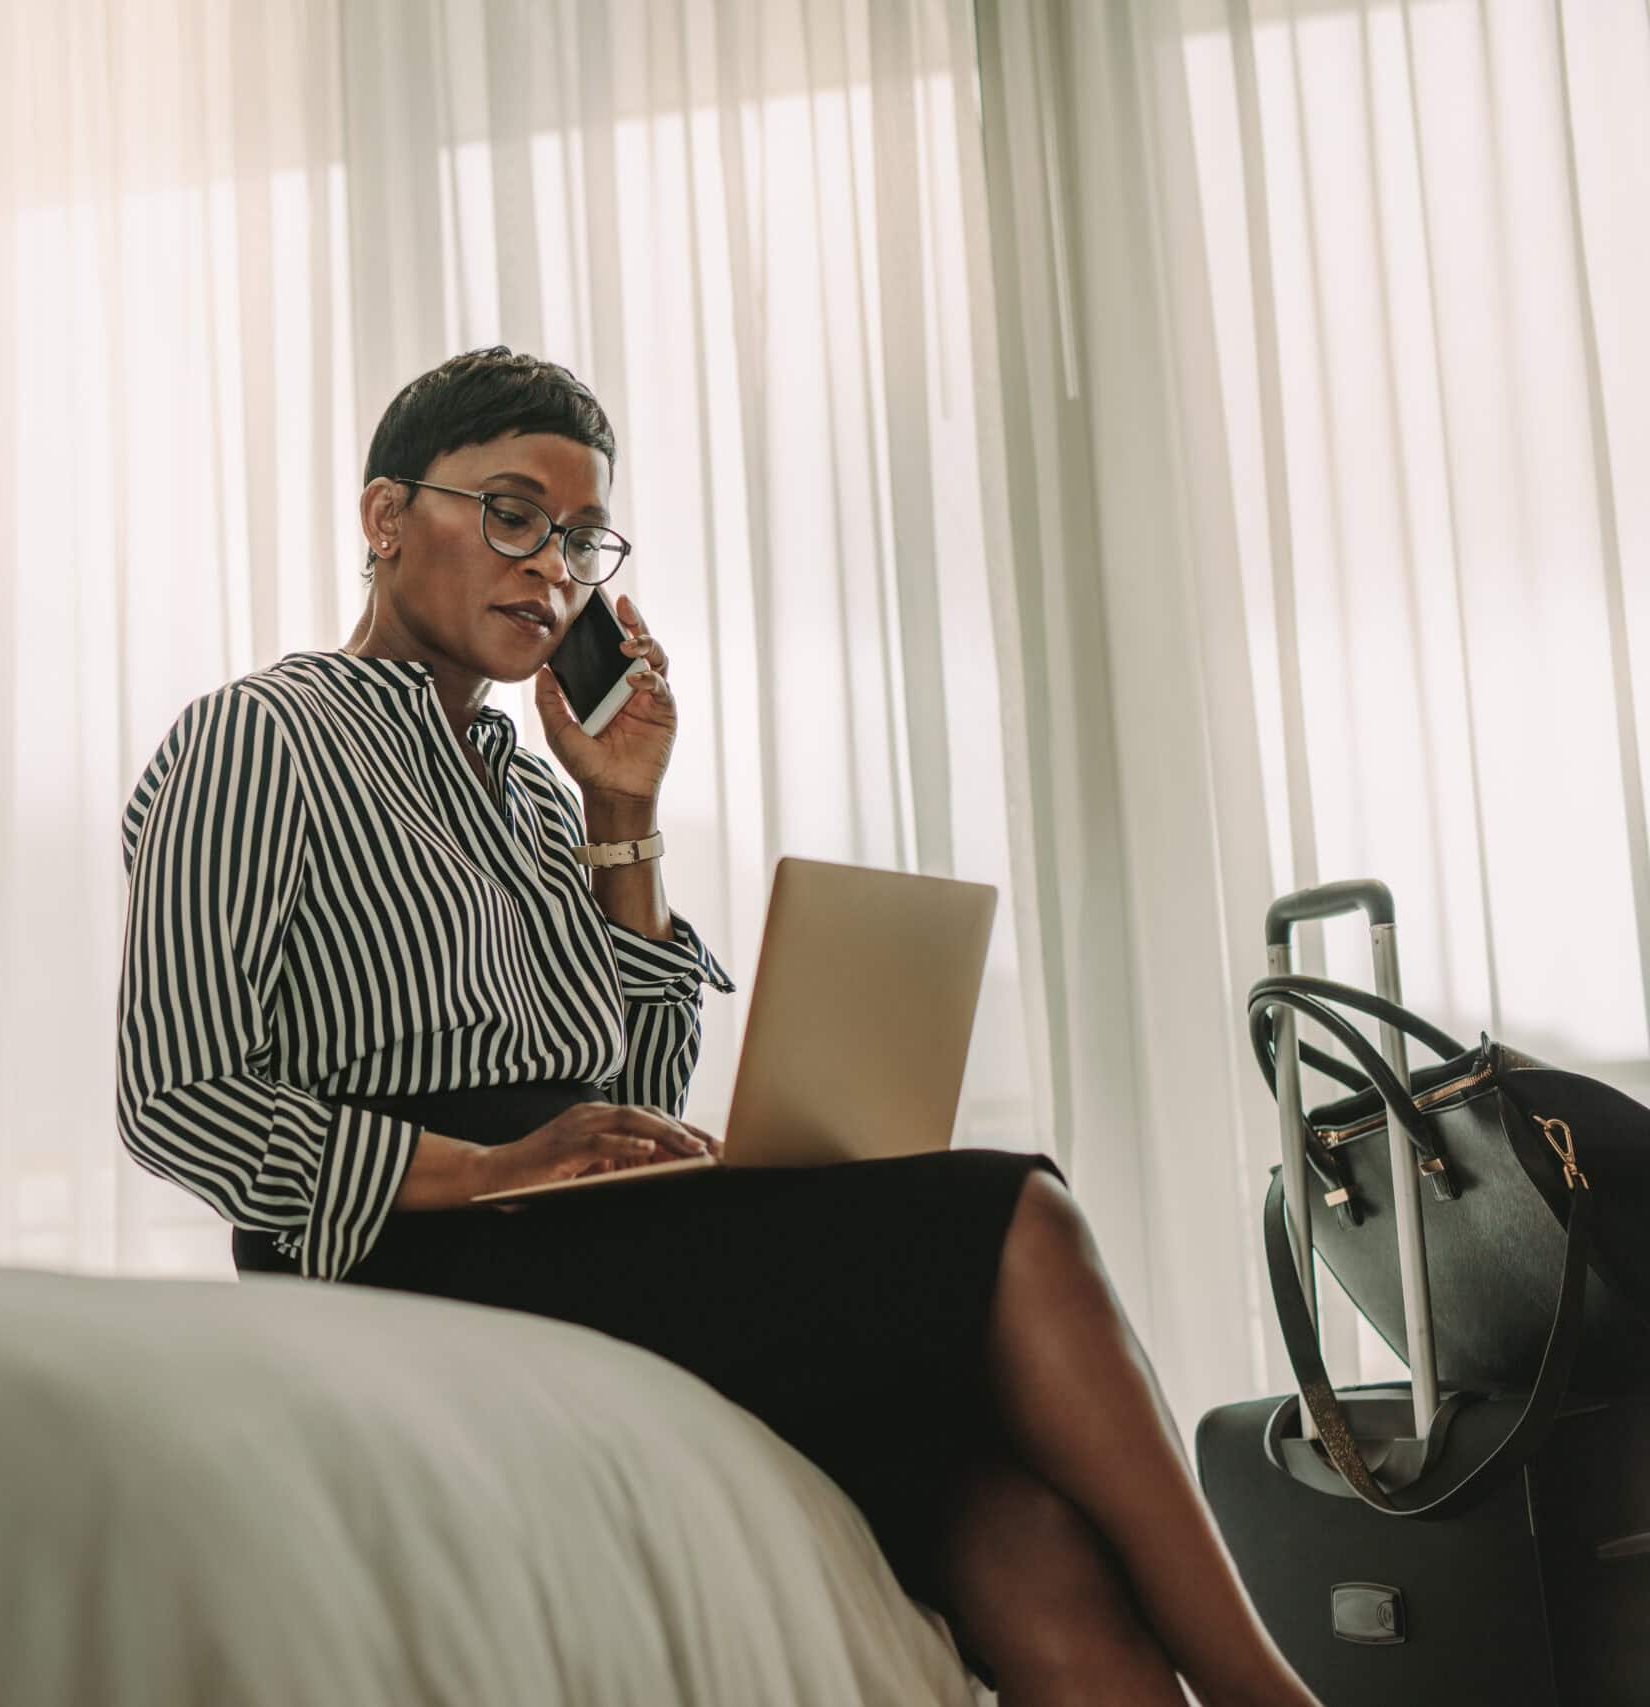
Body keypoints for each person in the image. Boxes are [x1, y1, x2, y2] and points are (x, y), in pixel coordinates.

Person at [115, 346, 1318, 1706]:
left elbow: (630, 1086)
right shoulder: (255, 739)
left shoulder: (527, 790)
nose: (549, 570)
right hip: (414, 1242)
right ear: (388, 519)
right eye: (512, 515)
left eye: (579, 540)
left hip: (580, 1226)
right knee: (1017, 1216)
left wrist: (621, 816)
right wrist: (487, 1169)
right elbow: (176, 1094)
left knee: (1024, 1538)